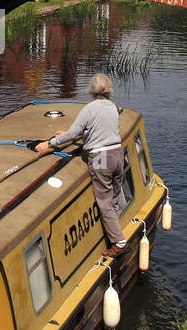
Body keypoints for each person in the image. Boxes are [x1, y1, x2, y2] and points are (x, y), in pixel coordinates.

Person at [34, 73, 126, 250]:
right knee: (114, 197)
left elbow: (72, 134)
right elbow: (101, 129)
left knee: (104, 201)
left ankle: (119, 243)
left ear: (91, 91)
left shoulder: (89, 109)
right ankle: (117, 228)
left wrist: (50, 143)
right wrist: (82, 134)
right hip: (117, 153)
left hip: (100, 157)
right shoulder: (113, 107)